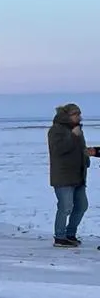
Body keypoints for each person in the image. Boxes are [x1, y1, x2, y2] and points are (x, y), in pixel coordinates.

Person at [47, 103, 95, 247]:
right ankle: (60, 237)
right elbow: (58, 150)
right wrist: (73, 136)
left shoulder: (77, 130)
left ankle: (70, 234)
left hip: (78, 175)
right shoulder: (56, 130)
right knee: (65, 206)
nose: (79, 117)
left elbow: (80, 148)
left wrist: (86, 158)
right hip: (63, 176)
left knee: (82, 205)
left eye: (79, 114)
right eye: (76, 114)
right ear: (66, 115)